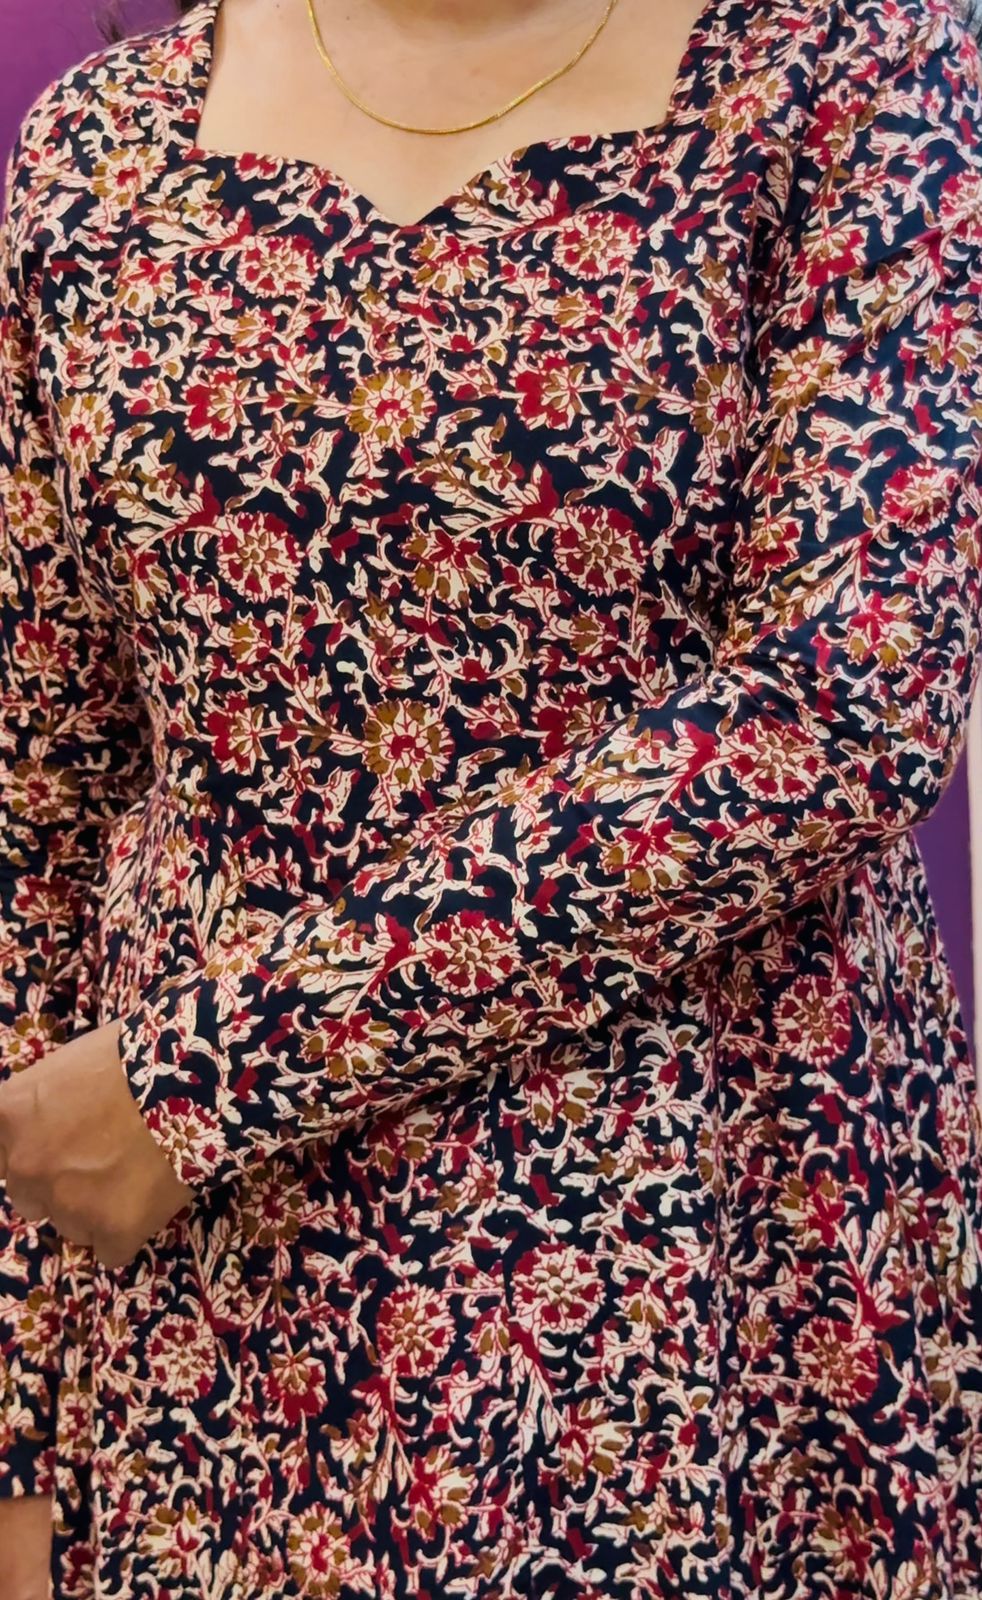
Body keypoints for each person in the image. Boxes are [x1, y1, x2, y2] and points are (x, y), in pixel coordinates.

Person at [2, 0, 982, 1593]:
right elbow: (41, 783)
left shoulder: (843, 70)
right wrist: (18, 1431)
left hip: (705, 1260)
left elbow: (842, 704)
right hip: (216, 1324)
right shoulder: (100, 149)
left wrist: (214, 1072)